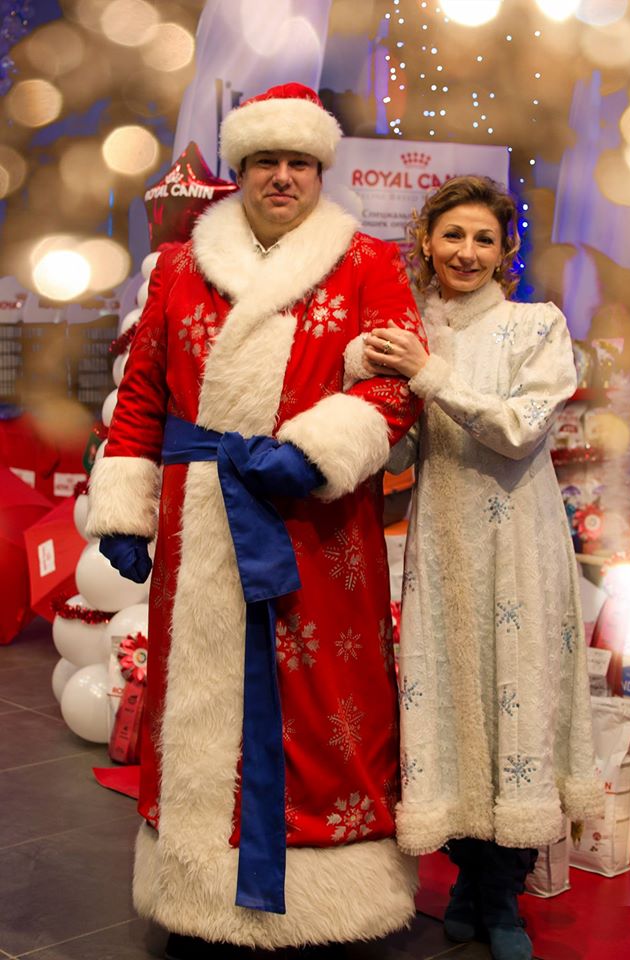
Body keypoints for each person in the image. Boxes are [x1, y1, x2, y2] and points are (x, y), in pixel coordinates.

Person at [86, 83, 425, 959]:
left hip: (314, 521)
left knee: (321, 705)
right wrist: (123, 507)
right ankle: (199, 889)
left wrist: (318, 449)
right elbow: (143, 395)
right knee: (197, 704)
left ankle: (320, 897)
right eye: (265, 160)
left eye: (298, 162)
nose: (282, 176)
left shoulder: (367, 263)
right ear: (240, 169)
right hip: (201, 517)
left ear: (321, 169)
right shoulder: (177, 268)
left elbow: (398, 385)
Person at [349, 175, 604, 960]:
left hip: (519, 546)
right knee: (448, 701)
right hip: (440, 544)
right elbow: (398, 451)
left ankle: (503, 897)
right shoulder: (409, 330)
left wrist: (427, 375)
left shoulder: (537, 324)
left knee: (516, 700)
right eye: (453, 235)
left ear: (506, 250)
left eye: (483, 239)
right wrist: (367, 391)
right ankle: (466, 878)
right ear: (426, 242)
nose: (466, 252)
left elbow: (521, 431)